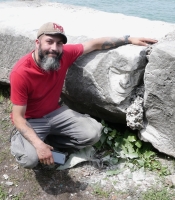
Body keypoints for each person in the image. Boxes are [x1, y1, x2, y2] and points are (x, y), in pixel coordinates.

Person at [9, 22, 157, 169]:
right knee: (30, 159)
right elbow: (18, 118)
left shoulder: (63, 55)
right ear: (37, 43)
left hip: (55, 112)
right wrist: (38, 145)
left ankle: (50, 144)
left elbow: (93, 44)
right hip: (31, 120)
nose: (54, 48)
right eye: (49, 42)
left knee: (93, 133)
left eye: (59, 43)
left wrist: (128, 39)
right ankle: (25, 142)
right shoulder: (21, 73)